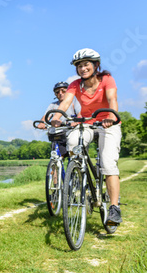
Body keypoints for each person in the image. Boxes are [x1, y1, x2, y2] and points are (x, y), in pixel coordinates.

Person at [50, 48, 122, 226]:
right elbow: (66, 102)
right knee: (73, 142)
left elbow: (112, 99)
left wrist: (111, 117)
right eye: (79, 66)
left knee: (107, 163)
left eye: (86, 64)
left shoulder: (106, 79)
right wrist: (57, 118)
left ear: (96, 65)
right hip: (87, 122)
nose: (83, 68)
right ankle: (78, 174)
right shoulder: (75, 85)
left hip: (107, 123)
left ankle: (114, 208)